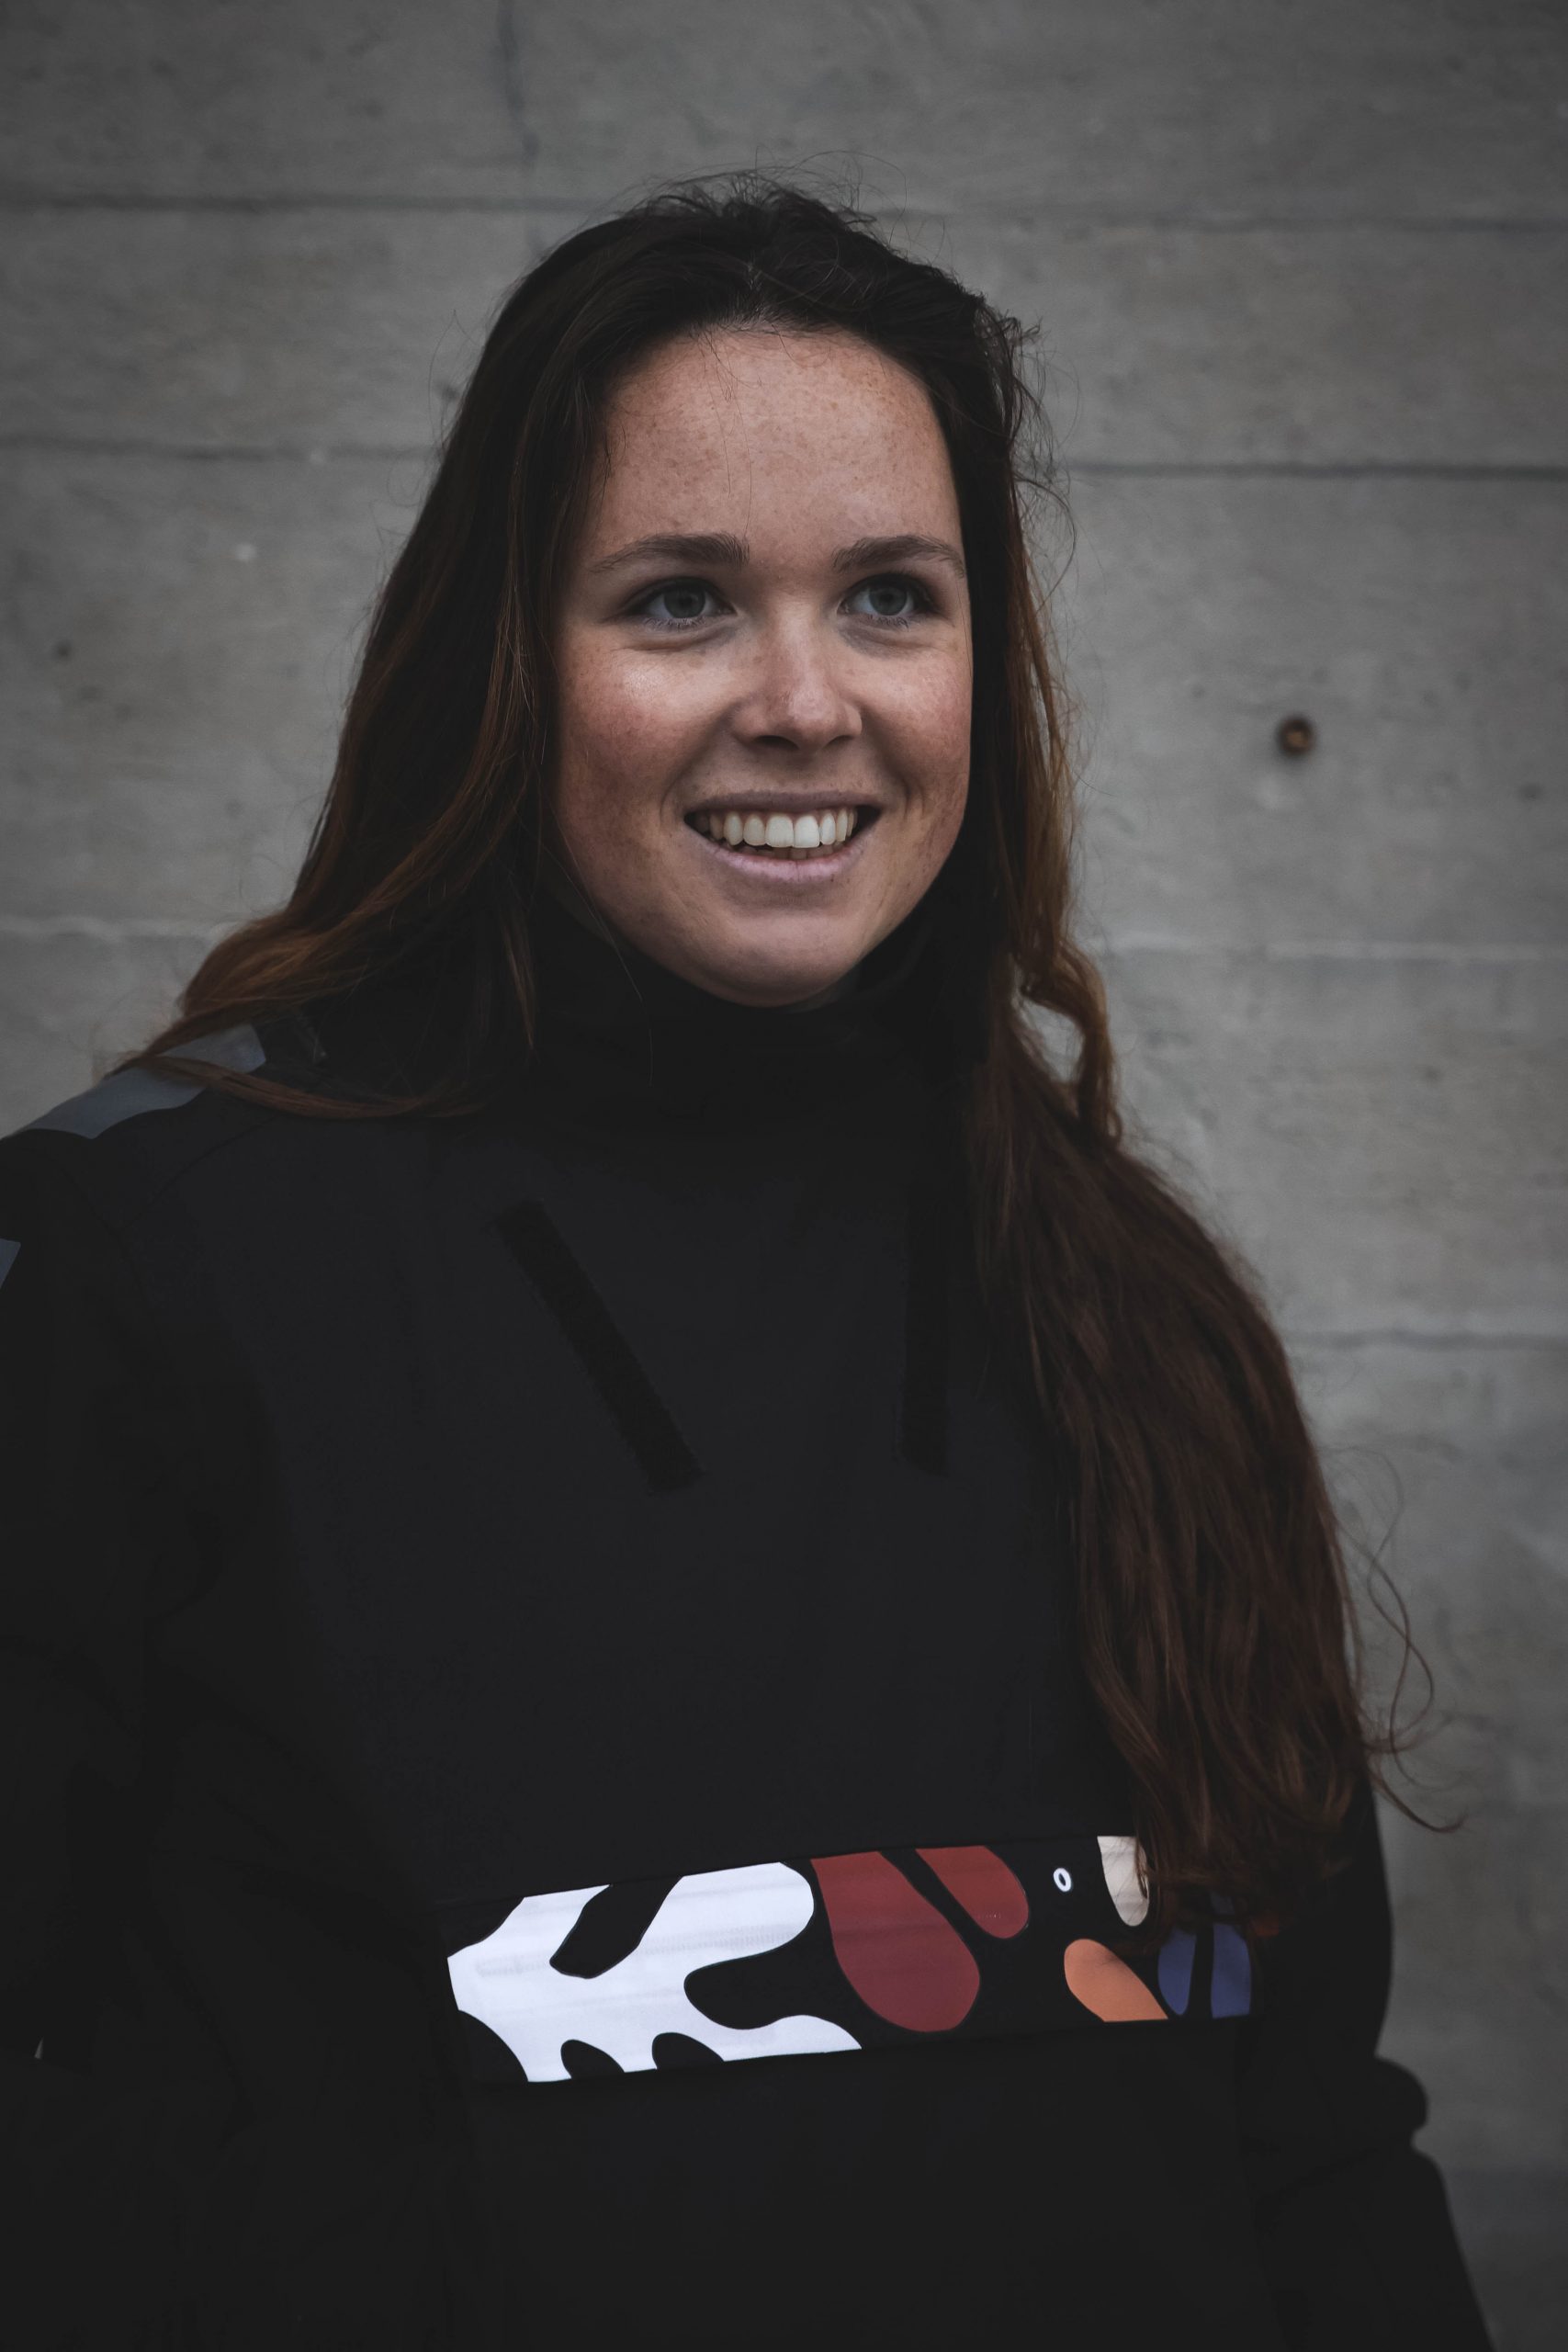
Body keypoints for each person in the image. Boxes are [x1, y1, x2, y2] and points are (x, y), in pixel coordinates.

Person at [0, 178, 1491, 2349]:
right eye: (680, 599)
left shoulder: (1133, 1308)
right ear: (505, 657)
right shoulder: (145, 1254)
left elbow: (1314, 2146)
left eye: (888, 596)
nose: (804, 702)